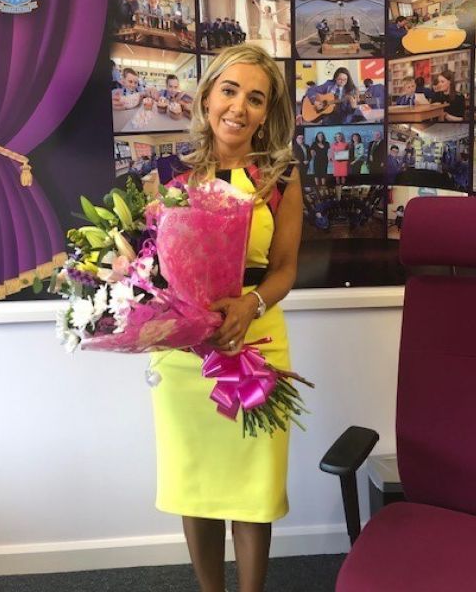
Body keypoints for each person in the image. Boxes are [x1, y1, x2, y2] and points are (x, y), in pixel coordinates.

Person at [151, 44, 302, 592]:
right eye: (229, 91)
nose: (239, 107)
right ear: (208, 96)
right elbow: (152, 265)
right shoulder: (169, 174)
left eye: (255, 99)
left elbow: (284, 269)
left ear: (266, 114)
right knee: (197, 485)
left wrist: (249, 305)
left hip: (256, 345)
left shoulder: (280, 177)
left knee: (254, 488)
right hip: (185, 354)